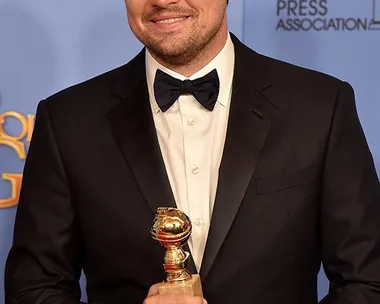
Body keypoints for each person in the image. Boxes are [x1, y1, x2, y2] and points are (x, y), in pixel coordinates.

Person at [5, 0, 380, 303]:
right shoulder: (67, 120)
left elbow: (367, 280)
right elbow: (34, 286)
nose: (162, 1)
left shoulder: (320, 106)